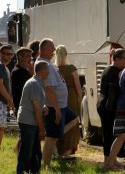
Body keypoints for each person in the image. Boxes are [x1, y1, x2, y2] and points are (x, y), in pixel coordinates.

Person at [37, 39, 78, 168]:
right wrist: (57, 109)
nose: (54, 51)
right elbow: (49, 88)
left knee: (74, 120)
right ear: (43, 49)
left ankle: (57, 136)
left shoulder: (48, 63)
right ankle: (46, 165)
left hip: (62, 105)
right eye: (51, 48)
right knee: (51, 138)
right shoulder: (45, 65)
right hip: (55, 107)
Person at [16, 61, 49, 174]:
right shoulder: (35, 84)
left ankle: (34, 171)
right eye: (47, 70)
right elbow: (36, 109)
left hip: (30, 121)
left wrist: (44, 106)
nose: (48, 73)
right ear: (41, 71)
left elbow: (38, 104)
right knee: (27, 151)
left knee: (35, 151)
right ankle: (21, 171)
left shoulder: (38, 83)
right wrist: (41, 129)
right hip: (28, 121)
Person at [97, 48, 125, 167]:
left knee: (111, 133)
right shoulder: (116, 71)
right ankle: (107, 161)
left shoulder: (109, 69)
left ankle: (112, 159)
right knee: (109, 134)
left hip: (104, 104)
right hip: (108, 106)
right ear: (118, 59)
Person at [55, 45, 82, 158]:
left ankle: (58, 149)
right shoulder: (71, 68)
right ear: (66, 54)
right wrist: (80, 100)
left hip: (58, 97)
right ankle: (67, 151)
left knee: (61, 122)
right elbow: (78, 87)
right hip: (71, 97)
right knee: (72, 123)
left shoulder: (55, 69)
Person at [11, 47, 33, 116]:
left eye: (30, 56)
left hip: (26, 107)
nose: (30, 59)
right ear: (20, 57)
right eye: (28, 56)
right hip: (23, 108)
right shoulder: (17, 72)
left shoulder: (24, 71)